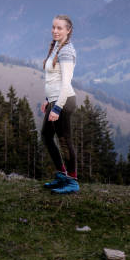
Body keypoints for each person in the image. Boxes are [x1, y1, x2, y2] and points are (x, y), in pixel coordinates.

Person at [41, 15, 79, 194]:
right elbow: (53, 79)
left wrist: (57, 107)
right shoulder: (56, 46)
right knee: (47, 136)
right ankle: (62, 175)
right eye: (53, 27)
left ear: (68, 30)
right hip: (54, 100)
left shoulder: (66, 52)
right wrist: (48, 100)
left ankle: (72, 181)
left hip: (64, 102)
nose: (55, 31)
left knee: (64, 142)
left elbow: (65, 83)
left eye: (59, 28)